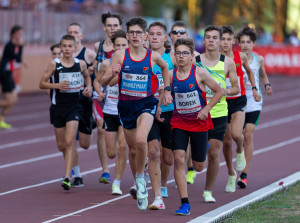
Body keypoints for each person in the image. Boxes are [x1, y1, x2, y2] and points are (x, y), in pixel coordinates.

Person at [100, 17, 172, 211]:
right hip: (125, 107)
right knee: (133, 150)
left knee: (142, 141)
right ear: (128, 34)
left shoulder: (152, 57)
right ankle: (139, 177)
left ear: (145, 35)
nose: (134, 36)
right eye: (131, 32)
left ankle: (140, 179)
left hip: (146, 105)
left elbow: (165, 68)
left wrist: (166, 90)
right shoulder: (120, 55)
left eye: (138, 32)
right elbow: (104, 82)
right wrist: (112, 74)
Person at [168, 38, 224, 215]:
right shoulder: (170, 75)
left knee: (199, 166)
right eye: (179, 53)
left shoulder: (200, 73)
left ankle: (201, 150)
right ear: (174, 56)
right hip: (179, 122)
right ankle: (184, 203)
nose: (182, 56)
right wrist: (163, 96)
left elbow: (220, 91)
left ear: (192, 56)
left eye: (185, 53)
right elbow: (161, 91)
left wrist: (207, 108)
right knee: (178, 158)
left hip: (199, 124)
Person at [39, 34, 92, 190]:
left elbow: (87, 77)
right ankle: (70, 171)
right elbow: (42, 83)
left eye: (70, 46)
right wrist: (57, 86)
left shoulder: (80, 64)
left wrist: (88, 87)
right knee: (61, 145)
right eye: (64, 46)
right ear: (61, 48)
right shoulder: (54, 64)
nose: (67, 49)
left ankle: (68, 177)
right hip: (57, 108)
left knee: (70, 142)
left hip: (74, 107)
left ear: (74, 47)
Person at [194, 25, 239, 203]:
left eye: (214, 37)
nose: (211, 40)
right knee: (198, 162)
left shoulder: (227, 62)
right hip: (197, 113)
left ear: (220, 41)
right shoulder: (195, 60)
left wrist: (222, 91)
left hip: (219, 112)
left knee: (214, 153)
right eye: (208, 37)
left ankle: (207, 191)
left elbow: (236, 87)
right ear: (204, 40)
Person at [67, 22, 108, 187]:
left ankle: (90, 121)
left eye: (76, 32)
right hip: (68, 102)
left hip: (84, 101)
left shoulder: (89, 54)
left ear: (81, 36)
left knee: (84, 144)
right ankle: (75, 174)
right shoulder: (62, 54)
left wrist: (92, 73)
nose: (73, 34)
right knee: (67, 140)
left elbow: (100, 70)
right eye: (70, 32)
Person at [220, 25, 260, 193]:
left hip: (238, 100)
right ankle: (231, 174)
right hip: (222, 102)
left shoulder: (240, 56)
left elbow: (250, 73)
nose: (225, 42)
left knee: (238, 135)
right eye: (222, 39)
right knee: (226, 141)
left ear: (233, 41)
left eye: (229, 39)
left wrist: (255, 88)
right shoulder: (214, 59)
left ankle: (240, 151)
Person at [146, 21, 177, 209]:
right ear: (146, 36)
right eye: (151, 33)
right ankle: (157, 196)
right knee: (152, 152)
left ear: (165, 38)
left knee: (168, 158)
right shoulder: (143, 57)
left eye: (159, 34)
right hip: (149, 109)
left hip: (170, 111)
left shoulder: (172, 58)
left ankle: (164, 183)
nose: (155, 37)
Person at [236, 25, 273, 188]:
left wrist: (267, 86)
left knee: (248, 134)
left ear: (253, 44)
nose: (245, 45)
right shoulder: (234, 59)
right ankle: (238, 157)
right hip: (238, 100)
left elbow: (263, 74)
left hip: (254, 100)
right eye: (242, 42)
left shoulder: (259, 59)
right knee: (237, 136)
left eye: (248, 42)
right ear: (239, 43)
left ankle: (244, 174)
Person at [94, 29, 128, 195]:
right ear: (113, 48)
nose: (121, 48)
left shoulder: (132, 63)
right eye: (118, 45)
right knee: (111, 152)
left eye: (124, 45)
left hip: (125, 110)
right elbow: (98, 82)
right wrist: (99, 91)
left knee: (122, 147)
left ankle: (117, 182)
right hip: (109, 110)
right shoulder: (106, 64)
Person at [169, 20, 199, 184]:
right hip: (166, 106)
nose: (178, 35)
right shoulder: (162, 55)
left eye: (182, 33)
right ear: (170, 35)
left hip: (189, 109)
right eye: (175, 32)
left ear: (187, 35)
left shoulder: (194, 58)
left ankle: (190, 168)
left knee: (186, 142)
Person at [0, 25, 23, 129]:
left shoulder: (14, 46)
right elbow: (17, 58)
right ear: (13, 34)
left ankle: (1, 119)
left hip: (9, 73)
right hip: (4, 74)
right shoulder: (9, 45)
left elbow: (17, 60)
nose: (21, 36)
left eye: (21, 34)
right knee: (9, 100)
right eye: (19, 34)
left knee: (14, 99)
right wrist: (21, 46)